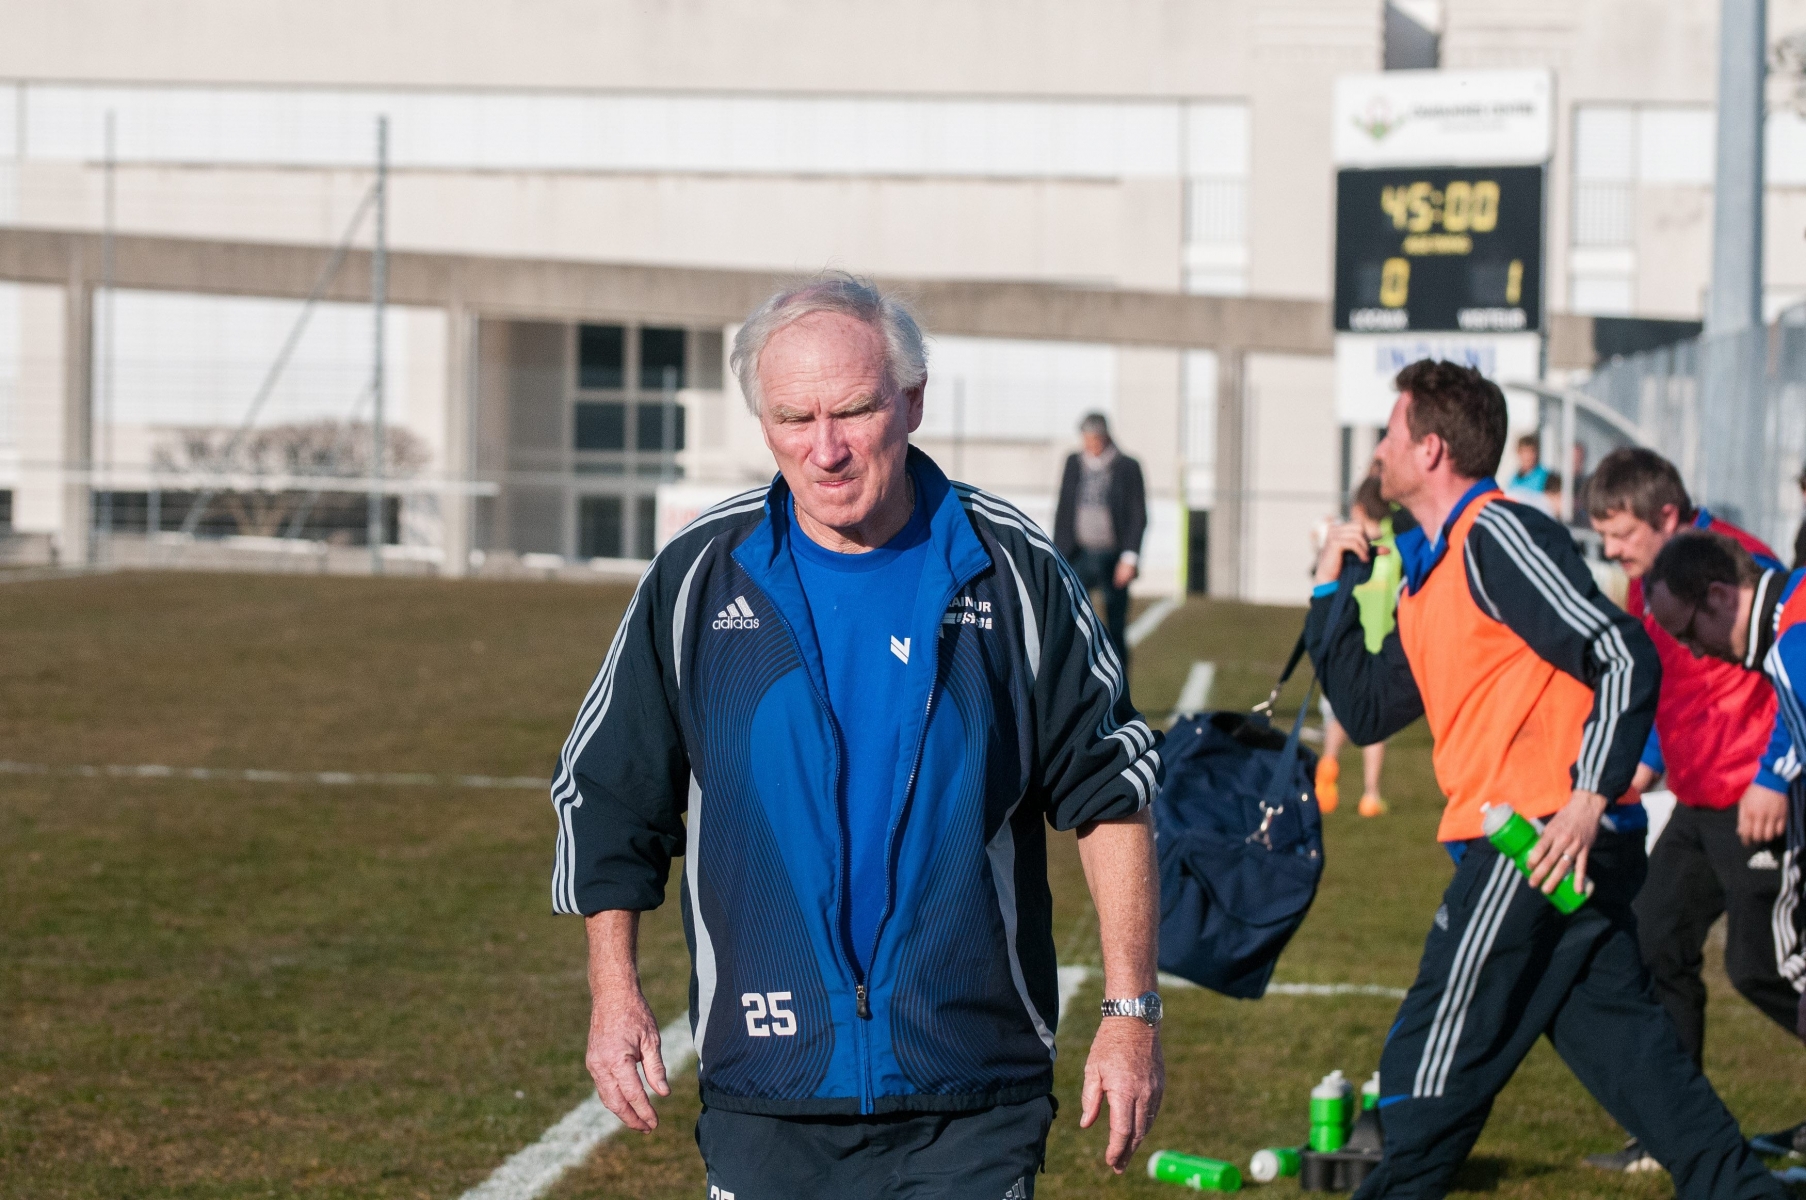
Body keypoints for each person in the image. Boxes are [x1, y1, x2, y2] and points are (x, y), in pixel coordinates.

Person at [551, 273, 1166, 1200]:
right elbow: (607, 794)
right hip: (769, 1085)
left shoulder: (1011, 571)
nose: (825, 449)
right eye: (795, 418)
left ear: (913, 401)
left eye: (854, 411)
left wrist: (1129, 1013)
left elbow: (1109, 794)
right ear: (763, 423)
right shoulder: (697, 580)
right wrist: (613, 991)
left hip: (970, 1089)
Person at [1307, 359, 1784, 1200]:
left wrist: (1585, 803)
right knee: (1641, 1069)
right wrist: (1328, 594)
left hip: (1536, 843)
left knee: (1428, 1055)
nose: (1375, 449)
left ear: (1428, 449)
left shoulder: (1500, 535)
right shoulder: (1433, 567)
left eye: (1387, 432)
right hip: (1542, 850)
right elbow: (1372, 707)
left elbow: (1620, 650)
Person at [1581, 446, 1800, 1172]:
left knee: (1766, 965)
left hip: (1754, 802)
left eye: (1620, 533)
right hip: (1699, 799)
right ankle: (1674, 1133)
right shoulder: (1655, 587)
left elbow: (1790, 679)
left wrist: (1772, 777)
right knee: (1654, 940)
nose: (1612, 551)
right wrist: (1644, 760)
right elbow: (1666, 683)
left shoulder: (1736, 573)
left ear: (1667, 516)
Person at [1644, 531, 1806, 1156]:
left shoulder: (1792, 644)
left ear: (1718, 597)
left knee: (1774, 966)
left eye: (1688, 633)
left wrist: (1773, 778)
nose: (1694, 652)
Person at [1316, 474, 1406, 818]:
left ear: (1357, 509)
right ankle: (1370, 793)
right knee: (1375, 723)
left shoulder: (1346, 546)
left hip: (1345, 640)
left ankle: (1328, 763)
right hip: (1379, 644)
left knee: (1339, 712)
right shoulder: (1394, 547)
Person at [1054, 413, 1147, 664]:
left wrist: (1130, 558)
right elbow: (1064, 509)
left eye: (1094, 438)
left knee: (1115, 628)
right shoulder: (1073, 463)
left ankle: (1120, 694)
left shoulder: (1127, 466)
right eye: (1086, 438)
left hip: (1113, 557)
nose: (1090, 444)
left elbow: (1138, 515)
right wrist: (1058, 554)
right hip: (1078, 554)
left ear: (1105, 436)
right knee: (1070, 622)